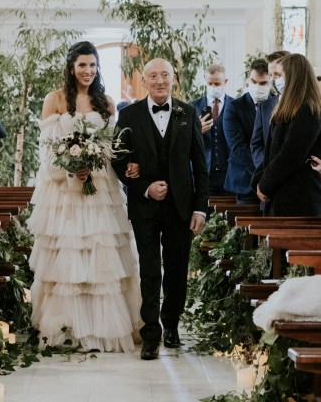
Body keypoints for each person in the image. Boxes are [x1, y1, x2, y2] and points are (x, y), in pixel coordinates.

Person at [28, 41, 142, 353]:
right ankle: (68, 330)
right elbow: (47, 148)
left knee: (101, 254)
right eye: (82, 65)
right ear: (71, 67)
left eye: (92, 65)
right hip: (65, 192)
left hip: (99, 188)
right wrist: (71, 169)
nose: (88, 71)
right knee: (68, 256)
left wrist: (98, 165)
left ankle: (102, 330)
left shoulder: (105, 101)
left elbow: (110, 147)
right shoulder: (55, 99)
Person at [112, 58, 208, 360]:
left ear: (173, 78)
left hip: (181, 207)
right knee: (150, 270)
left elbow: (200, 167)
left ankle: (172, 326)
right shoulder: (128, 114)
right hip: (145, 207)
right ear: (144, 80)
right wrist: (143, 186)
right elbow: (117, 159)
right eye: (153, 76)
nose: (159, 81)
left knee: (177, 271)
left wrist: (200, 209)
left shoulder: (188, 113)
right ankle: (150, 334)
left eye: (164, 75)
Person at [254, 54, 321, 216]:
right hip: (281, 193)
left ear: (293, 77)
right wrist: (260, 181)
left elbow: (290, 154)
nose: (275, 80)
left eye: (279, 75)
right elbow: (271, 152)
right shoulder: (287, 107)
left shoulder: (307, 109)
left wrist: (265, 184)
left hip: (299, 198)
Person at [223, 58, 272, 205]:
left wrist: (270, 176)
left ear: (270, 81)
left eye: (263, 83)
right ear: (248, 80)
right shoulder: (234, 107)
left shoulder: (278, 105)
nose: (257, 86)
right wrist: (260, 176)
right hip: (245, 178)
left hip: (273, 180)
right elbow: (238, 147)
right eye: (254, 81)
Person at [190, 63, 234, 198]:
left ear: (225, 82)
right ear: (205, 81)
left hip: (229, 173)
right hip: (203, 173)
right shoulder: (192, 106)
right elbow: (183, 141)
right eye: (210, 83)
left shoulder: (235, 105)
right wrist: (197, 131)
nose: (213, 87)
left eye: (217, 83)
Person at [250, 51, 289, 169]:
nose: (273, 80)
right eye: (270, 75)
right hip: (268, 175)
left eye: (277, 74)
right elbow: (256, 144)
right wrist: (266, 169)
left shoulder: (308, 105)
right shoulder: (265, 106)